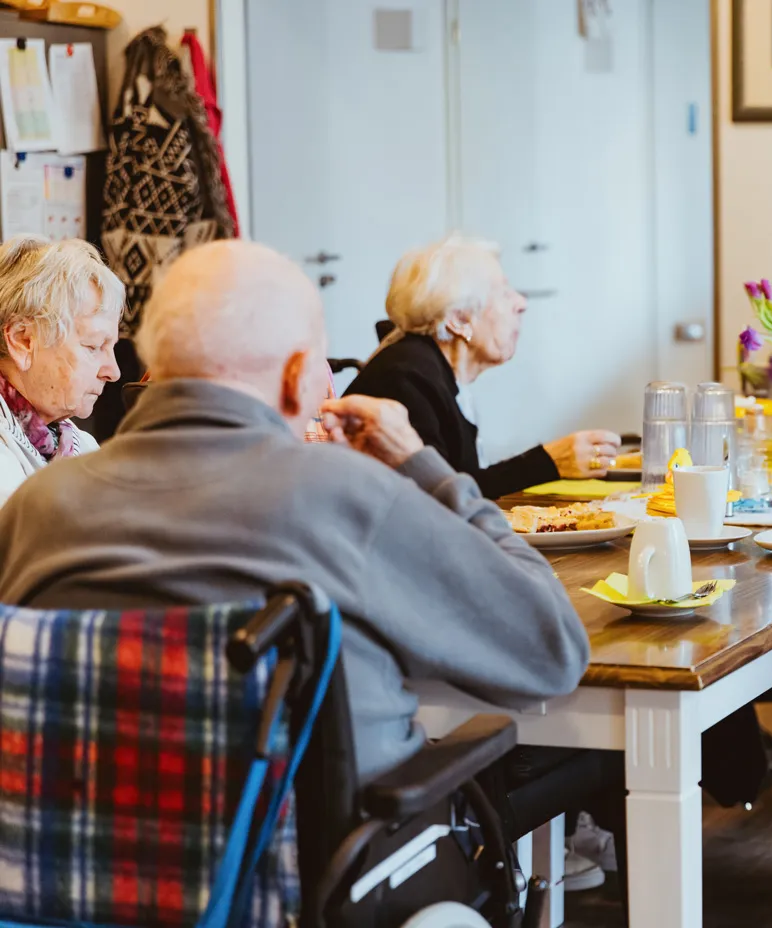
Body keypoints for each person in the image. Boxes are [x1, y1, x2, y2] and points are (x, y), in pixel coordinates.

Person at [0, 239, 591, 788]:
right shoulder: (344, 494)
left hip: (101, 867)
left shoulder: (39, 505)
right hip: (316, 872)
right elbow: (551, 648)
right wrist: (422, 465)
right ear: (295, 378)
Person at [345, 235, 621, 498]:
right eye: (503, 292)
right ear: (459, 319)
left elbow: (458, 484)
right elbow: (439, 501)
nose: (521, 302)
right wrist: (548, 462)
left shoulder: (431, 369)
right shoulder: (406, 378)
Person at [0, 236, 122, 503]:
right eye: (93, 346)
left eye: (111, 347)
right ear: (23, 341)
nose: (113, 371)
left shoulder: (81, 444)